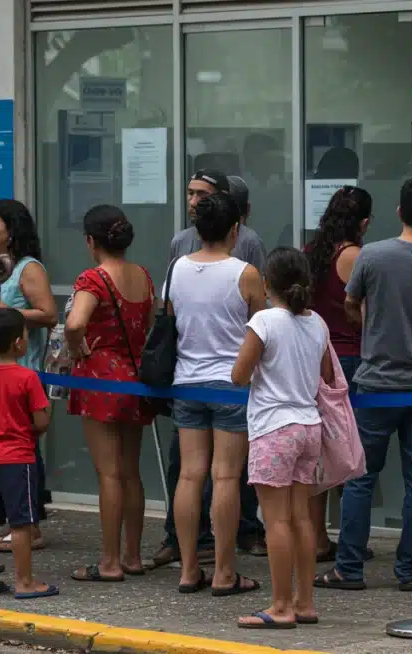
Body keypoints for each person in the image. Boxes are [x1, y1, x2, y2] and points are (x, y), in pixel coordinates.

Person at [316, 177, 412, 592]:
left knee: (361, 477)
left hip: (377, 381)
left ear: (399, 212)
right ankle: (410, 570)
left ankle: (349, 568)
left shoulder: (373, 256)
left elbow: (351, 303)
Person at [155, 170, 267, 567]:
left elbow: (170, 317)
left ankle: (188, 568)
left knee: (189, 475)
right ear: (235, 229)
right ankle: (223, 570)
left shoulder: (176, 269)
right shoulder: (246, 274)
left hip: (187, 382)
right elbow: (261, 327)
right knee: (226, 476)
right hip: (232, 384)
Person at [230, 247, 329, 629]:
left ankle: (281, 605)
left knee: (276, 522)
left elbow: (239, 375)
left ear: (268, 284)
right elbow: (326, 375)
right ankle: (305, 603)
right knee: (302, 518)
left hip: (273, 428)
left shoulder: (265, 321)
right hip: (309, 426)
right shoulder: (317, 323)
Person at [65, 205, 155, 582]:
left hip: (100, 378)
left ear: (91, 241)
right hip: (135, 377)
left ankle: (110, 561)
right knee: (131, 471)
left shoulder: (93, 279)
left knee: (109, 473)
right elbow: (148, 326)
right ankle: (133, 556)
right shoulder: (143, 276)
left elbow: (75, 323)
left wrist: (77, 348)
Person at [0, 199, 56, 552]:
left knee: (24, 449)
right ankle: (15, 519)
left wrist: (7, 311)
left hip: (24, 373)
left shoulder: (29, 268)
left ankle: (29, 524)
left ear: (11, 230)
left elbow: (48, 314)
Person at [304, 185, 375, 563]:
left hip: (314, 359)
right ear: (363, 223)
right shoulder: (355, 256)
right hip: (349, 358)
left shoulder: (311, 253)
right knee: (349, 455)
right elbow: (364, 314)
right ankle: (350, 541)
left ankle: (317, 538)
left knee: (319, 455)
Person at [0, 308, 58, 600]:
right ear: (18, 343)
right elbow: (41, 421)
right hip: (18, 458)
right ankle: (24, 581)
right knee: (21, 522)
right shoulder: (27, 378)